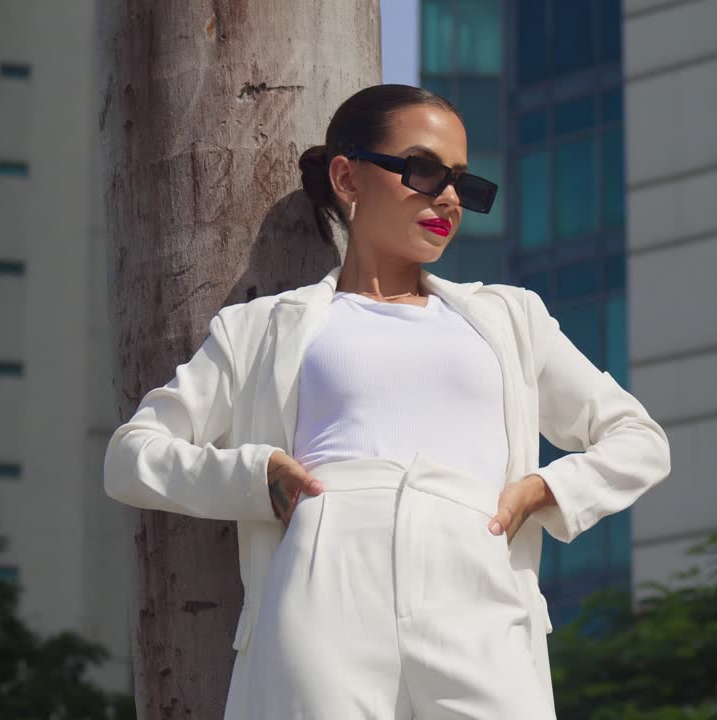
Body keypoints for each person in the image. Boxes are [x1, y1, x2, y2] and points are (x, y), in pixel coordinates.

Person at [102, 84, 672, 719]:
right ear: (347, 176)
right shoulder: (262, 329)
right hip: (325, 582)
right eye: (424, 171)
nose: (449, 199)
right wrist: (258, 476)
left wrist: (542, 490)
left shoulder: (511, 318)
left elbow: (638, 440)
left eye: (463, 182)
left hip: (478, 579)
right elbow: (132, 455)